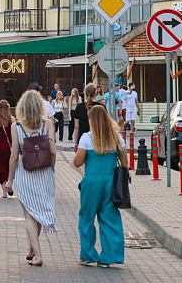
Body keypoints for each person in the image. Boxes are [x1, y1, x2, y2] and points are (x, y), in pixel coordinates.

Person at [5, 90, 57, 266]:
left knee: (29, 215)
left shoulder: (16, 127)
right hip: (44, 173)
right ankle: (32, 250)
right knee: (40, 212)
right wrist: (52, 169)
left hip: (25, 174)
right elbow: (52, 151)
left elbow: (13, 156)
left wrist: (10, 180)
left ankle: (37, 254)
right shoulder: (48, 124)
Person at [74, 104, 127, 267]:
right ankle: (109, 257)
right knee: (110, 219)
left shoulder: (87, 138)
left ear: (91, 120)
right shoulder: (116, 137)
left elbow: (77, 162)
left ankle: (88, 255)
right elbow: (125, 162)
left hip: (91, 183)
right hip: (110, 182)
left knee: (86, 218)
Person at [0, 99, 15, 198]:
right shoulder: (12, 119)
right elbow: (15, 134)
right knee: (11, 168)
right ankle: (9, 185)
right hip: (10, 147)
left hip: (0, 147)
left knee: (2, 168)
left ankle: (4, 191)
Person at [73, 83, 101, 152]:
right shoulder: (101, 107)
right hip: (98, 139)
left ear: (84, 93)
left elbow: (76, 127)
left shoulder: (79, 107)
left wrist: (76, 143)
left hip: (83, 139)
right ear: (95, 93)